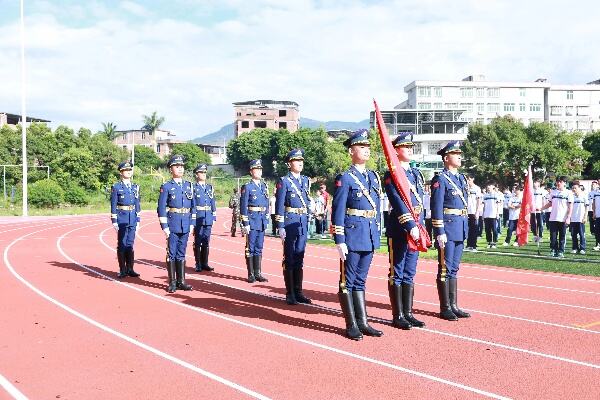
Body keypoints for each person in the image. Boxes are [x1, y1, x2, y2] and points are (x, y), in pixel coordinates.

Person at [332, 129, 383, 340]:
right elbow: (338, 210)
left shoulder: (373, 176)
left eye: (368, 147)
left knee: (361, 281)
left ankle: (363, 322)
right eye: (362, 147)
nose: (367, 150)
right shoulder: (345, 178)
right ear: (352, 151)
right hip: (352, 235)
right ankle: (351, 323)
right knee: (348, 281)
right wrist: (340, 240)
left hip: (369, 234)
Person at [383, 132, 426, 330]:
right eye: (405, 147)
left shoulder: (416, 174)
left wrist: (421, 226)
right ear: (396, 151)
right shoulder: (392, 173)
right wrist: (410, 226)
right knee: (397, 271)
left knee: (410, 272)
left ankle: (408, 313)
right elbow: (397, 202)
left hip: (416, 225)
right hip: (400, 227)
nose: (410, 149)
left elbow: (420, 202)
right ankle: (397, 314)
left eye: (411, 147)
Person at [430, 141, 470, 321]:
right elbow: (436, 206)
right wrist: (439, 231)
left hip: (460, 226)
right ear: (446, 158)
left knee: (454, 268)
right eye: (455, 153)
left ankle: (454, 305)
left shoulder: (461, 179)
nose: (460, 156)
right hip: (447, 226)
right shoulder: (440, 179)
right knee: (445, 268)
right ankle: (445, 307)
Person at [274, 148, 312, 305]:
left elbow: (307, 200)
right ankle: (290, 293)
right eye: (297, 161)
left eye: (301, 161)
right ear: (289, 164)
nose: (300, 163)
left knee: (299, 257)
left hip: (302, 222)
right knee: (289, 257)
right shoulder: (284, 181)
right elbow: (279, 204)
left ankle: (299, 291)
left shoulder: (305, 181)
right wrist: (280, 225)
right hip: (289, 222)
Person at [157, 154, 194, 293]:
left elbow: (193, 206)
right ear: (170, 169)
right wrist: (165, 227)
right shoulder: (166, 186)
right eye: (177, 166)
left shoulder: (188, 185)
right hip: (173, 223)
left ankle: (182, 281)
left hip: (185, 223)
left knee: (182, 253)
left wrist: (191, 223)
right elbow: (161, 208)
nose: (180, 169)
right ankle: (172, 282)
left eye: (182, 166)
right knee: (171, 253)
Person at [239, 159, 269, 283]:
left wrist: (266, 218)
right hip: (252, 220)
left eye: (260, 169)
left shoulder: (264, 186)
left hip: (261, 220)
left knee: (259, 247)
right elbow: (243, 206)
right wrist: (245, 223)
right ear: (251, 171)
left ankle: (258, 273)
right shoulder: (247, 187)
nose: (259, 171)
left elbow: (267, 204)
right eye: (256, 169)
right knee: (250, 247)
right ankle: (251, 274)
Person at [110, 161, 141, 278]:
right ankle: (122, 269)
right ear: (121, 172)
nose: (128, 172)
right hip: (122, 218)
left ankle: (130, 269)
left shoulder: (135, 187)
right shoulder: (116, 187)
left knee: (130, 244)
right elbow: (113, 205)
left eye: (130, 170)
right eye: (126, 170)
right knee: (122, 244)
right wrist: (114, 221)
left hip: (132, 217)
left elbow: (137, 204)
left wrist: (138, 219)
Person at [540, 176, 573, 258]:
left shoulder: (568, 193)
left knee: (562, 236)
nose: (558, 183)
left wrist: (568, 217)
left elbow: (570, 206)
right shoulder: (553, 192)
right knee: (553, 236)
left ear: (565, 183)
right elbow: (550, 203)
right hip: (553, 218)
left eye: (560, 182)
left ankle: (561, 251)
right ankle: (553, 250)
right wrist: (541, 208)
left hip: (563, 218)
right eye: (557, 182)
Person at [192, 163, 216, 272]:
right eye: (201, 172)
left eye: (205, 172)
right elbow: (192, 204)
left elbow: (212, 202)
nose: (204, 174)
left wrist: (214, 216)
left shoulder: (209, 187)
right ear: (196, 174)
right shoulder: (193, 187)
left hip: (208, 217)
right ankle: (198, 263)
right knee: (198, 240)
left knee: (206, 240)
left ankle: (205, 263)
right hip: (198, 217)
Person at [570, 181, 588, 254]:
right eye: (573, 188)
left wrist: (585, 217)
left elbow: (587, 207)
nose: (574, 189)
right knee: (573, 234)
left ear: (579, 188)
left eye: (575, 188)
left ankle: (582, 248)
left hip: (580, 219)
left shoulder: (584, 195)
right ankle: (575, 248)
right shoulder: (571, 196)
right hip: (573, 219)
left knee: (581, 234)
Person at [482, 183, 501, 248]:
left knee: (494, 229)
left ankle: (494, 242)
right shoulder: (485, 195)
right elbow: (484, 205)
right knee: (487, 230)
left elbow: (498, 205)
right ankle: (489, 242)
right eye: (488, 186)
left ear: (493, 186)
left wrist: (497, 213)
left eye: (490, 185)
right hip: (486, 215)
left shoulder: (496, 195)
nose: (488, 187)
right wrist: (483, 214)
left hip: (493, 215)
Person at [465, 174, 482, 252]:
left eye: (469, 179)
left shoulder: (477, 188)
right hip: (466, 211)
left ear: (472, 179)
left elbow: (479, 201)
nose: (468, 181)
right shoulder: (465, 188)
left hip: (473, 211)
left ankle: (473, 245)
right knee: (467, 229)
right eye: (467, 179)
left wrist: (477, 211)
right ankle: (468, 245)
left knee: (474, 229)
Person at [588, 180, 599, 247]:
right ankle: (597, 243)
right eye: (592, 185)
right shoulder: (591, 193)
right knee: (594, 226)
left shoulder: (597, 192)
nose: (593, 186)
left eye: (594, 184)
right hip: (593, 211)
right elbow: (591, 202)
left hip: (596, 211)